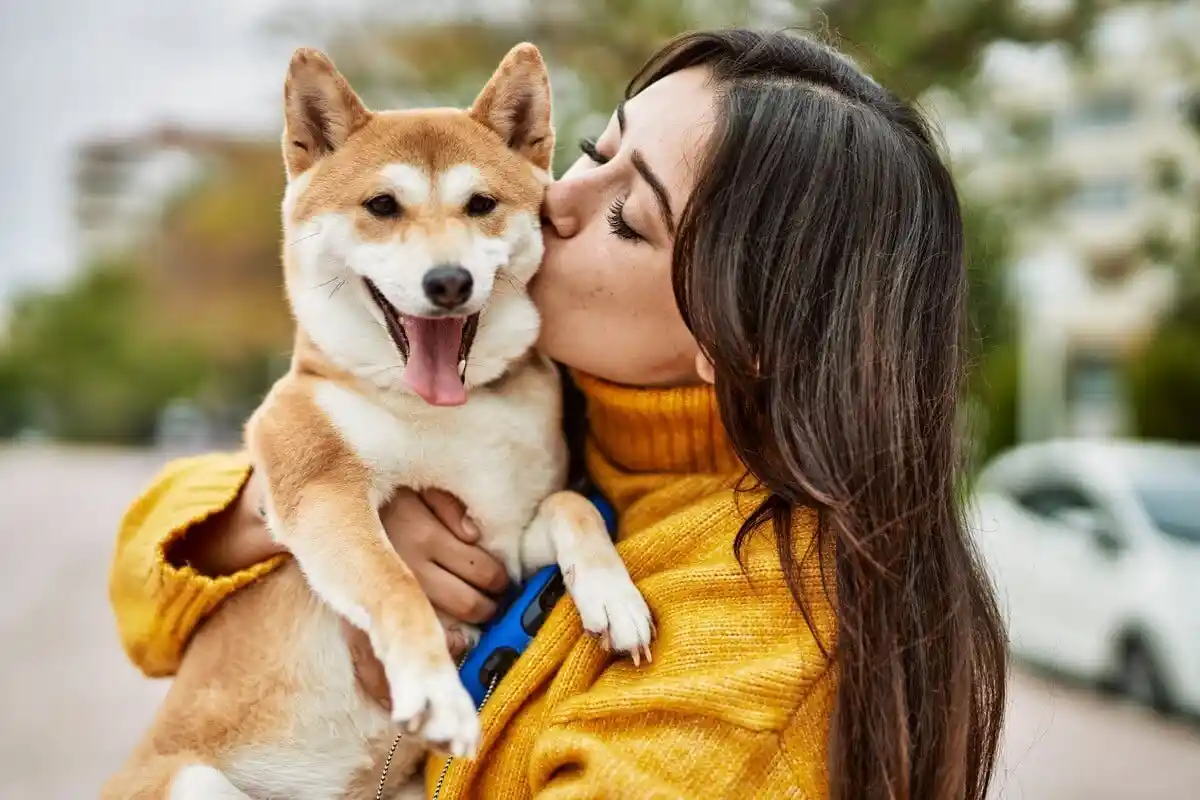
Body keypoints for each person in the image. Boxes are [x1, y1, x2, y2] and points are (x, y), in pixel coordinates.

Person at [109, 28, 1007, 800]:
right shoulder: (537, 381)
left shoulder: (760, 637)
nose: (553, 198)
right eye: (591, 148)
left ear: (742, 334)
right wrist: (286, 520)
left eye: (630, 217)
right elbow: (142, 599)